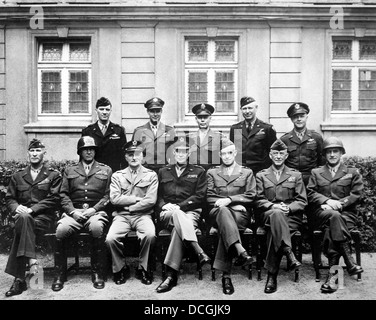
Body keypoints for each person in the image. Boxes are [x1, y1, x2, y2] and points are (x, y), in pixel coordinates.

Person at [51, 136, 112, 291]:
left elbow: (108, 195)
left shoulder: (105, 170)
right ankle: (60, 273)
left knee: (97, 227)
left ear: (95, 151)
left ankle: (97, 272)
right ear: (80, 151)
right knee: (61, 230)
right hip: (74, 212)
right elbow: (63, 195)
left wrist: (94, 209)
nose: (89, 152)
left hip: (95, 212)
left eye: (91, 149)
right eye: (85, 149)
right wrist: (72, 211)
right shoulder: (69, 170)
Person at [4, 139, 62, 297]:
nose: (35, 154)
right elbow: (10, 199)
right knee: (24, 219)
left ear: (44, 153)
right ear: (28, 153)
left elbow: (53, 199)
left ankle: (19, 278)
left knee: (24, 220)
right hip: (23, 218)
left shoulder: (52, 175)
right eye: (32, 151)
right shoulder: (18, 176)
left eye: (38, 151)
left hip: (45, 219)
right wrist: (17, 207)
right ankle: (32, 262)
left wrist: (31, 209)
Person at [306, 136, 364, 294]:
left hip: (346, 214)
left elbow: (357, 194)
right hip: (322, 213)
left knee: (333, 225)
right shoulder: (316, 172)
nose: (332, 154)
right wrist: (327, 201)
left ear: (341, 153)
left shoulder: (352, 172)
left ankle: (332, 278)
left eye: (335, 151)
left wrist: (341, 204)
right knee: (333, 216)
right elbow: (310, 193)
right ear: (324, 154)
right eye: (329, 151)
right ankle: (349, 260)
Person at [155, 137, 211, 293]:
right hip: (167, 213)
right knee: (177, 216)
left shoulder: (198, 171)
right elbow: (158, 195)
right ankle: (198, 249)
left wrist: (179, 207)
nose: (181, 154)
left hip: (190, 213)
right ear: (173, 153)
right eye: (178, 151)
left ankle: (171, 275)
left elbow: (200, 196)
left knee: (176, 231)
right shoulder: (163, 171)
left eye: (184, 152)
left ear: (189, 153)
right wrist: (163, 206)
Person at [255, 139, 307, 294]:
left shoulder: (295, 175)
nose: (278, 156)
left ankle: (272, 276)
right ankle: (288, 252)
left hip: (291, 217)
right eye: (275, 153)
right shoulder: (261, 175)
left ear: (286, 156)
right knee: (276, 214)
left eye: (281, 153)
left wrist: (289, 208)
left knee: (274, 232)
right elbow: (258, 199)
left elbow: (302, 200)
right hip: (269, 214)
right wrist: (273, 206)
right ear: (270, 155)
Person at [206, 138, 256, 295]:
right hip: (217, 212)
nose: (226, 156)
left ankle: (226, 276)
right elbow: (208, 197)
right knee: (223, 213)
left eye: (229, 153)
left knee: (224, 227)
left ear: (235, 153)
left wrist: (229, 201)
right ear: (219, 155)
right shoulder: (212, 172)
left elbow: (251, 195)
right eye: (223, 154)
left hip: (240, 215)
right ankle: (240, 250)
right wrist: (230, 204)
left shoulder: (246, 172)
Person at [105, 140, 158, 286]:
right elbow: (114, 199)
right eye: (130, 154)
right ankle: (120, 268)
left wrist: (130, 207)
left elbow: (151, 200)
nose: (134, 157)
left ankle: (144, 268)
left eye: (137, 154)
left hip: (143, 215)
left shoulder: (151, 175)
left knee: (149, 235)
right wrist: (135, 199)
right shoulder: (118, 175)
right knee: (111, 238)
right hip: (122, 217)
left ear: (143, 156)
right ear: (126, 157)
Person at [229, 96, 277, 175]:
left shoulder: (267, 128)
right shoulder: (235, 128)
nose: (247, 111)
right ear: (241, 110)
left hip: (260, 172)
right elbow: (233, 152)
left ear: (256, 108)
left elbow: (272, 151)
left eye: (250, 108)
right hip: (241, 172)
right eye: (244, 109)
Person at [280, 102, 325, 186]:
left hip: (311, 179)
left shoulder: (316, 137)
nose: (299, 119)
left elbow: (322, 160)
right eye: (296, 117)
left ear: (306, 117)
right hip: (291, 179)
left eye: (302, 116)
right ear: (291, 119)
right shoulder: (284, 139)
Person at [82, 97, 127, 173]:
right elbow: (83, 156)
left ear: (110, 111)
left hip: (114, 173)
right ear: (96, 110)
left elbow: (124, 157)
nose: (104, 112)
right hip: (94, 174)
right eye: (101, 109)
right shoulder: (88, 131)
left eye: (107, 109)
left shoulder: (119, 130)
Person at [132, 97, 176, 174]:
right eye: (152, 111)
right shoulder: (139, 131)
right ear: (148, 112)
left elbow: (174, 153)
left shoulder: (170, 130)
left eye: (158, 111)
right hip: (145, 171)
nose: (155, 114)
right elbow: (134, 153)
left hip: (165, 171)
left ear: (161, 111)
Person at [187, 103, 224, 171]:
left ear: (210, 118)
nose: (202, 120)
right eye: (199, 117)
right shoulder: (189, 138)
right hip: (193, 176)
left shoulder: (219, 137)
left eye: (205, 117)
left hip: (211, 175)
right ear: (196, 119)